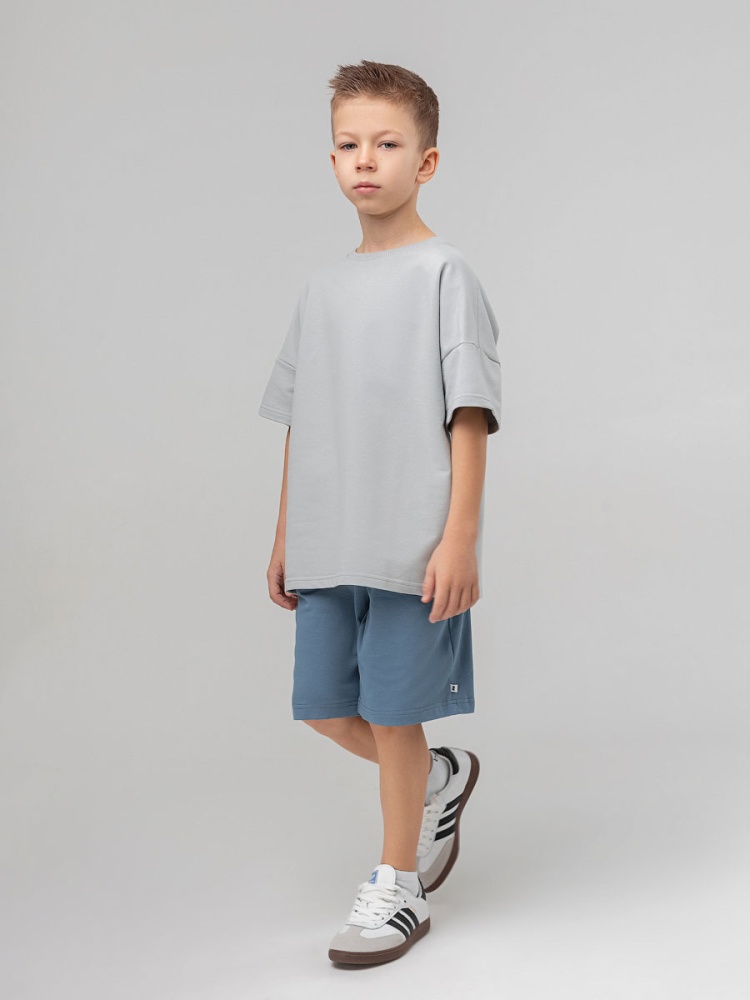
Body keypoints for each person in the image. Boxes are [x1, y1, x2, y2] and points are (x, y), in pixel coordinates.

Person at [258, 59, 502, 966]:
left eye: (387, 143)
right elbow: (302, 416)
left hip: (411, 543)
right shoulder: (321, 288)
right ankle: (439, 777)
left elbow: (469, 413)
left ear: (425, 162)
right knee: (326, 708)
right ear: (332, 160)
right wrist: (286, 533)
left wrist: (460, 536)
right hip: (328, 538)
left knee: (395, 713)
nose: (366, 160)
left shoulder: (445, 273)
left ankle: (399, 886)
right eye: (349, 144)